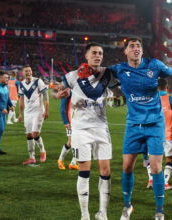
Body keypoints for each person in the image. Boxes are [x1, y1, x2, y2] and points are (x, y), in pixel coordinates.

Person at [109, 37, 172, 220]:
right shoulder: (119, 69)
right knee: (127, 167)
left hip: (155, 125)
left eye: (139, 46)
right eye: (132, 46)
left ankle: (159, 210)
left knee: (157, 167)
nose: (136, 48)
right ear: (125, 51)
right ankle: (127, 206)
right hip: (133, 125)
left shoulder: (154, 65)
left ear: (142, 51)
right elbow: (101, 75)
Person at [55, 42, 120, 220]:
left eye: (100, 53)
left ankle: (103, 213)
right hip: (81, 129)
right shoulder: (73, 75)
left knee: (105, 171)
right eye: (94, 53)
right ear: (86, 55)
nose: (97, 56)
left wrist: (117, 97)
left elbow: (117, 93)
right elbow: (58, 90)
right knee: (85, 170)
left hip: (101, 128)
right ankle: (85, 215)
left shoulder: (107, 73)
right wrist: (57, 94)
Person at [18, 65, 49, 165]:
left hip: (38, 111)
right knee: (28, 135)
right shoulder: (21, 84)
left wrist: (46, 110)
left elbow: (46, 95)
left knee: (35, 133)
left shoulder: (38, 81)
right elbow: (21, 100)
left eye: (30, 71)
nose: (28, 72)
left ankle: (42, 150)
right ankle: (31, 157)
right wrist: (20, 114)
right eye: (26, 71)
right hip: (28, 112)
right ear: (22, 73)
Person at [155, 78, 172, 190]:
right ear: (167, 86)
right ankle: (165, 182)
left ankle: (152, 181)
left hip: (153, 134)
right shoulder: (171, 99)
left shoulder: (151, 99)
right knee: (169, 159)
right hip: (169, 134)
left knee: (154, 160)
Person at [57, 94, 78, 170]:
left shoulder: (79, 88)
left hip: (79, 120)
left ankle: (73, 162)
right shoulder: (67, 90)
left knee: (78, 142)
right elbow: (62, 108)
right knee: (71, 142)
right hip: (70, 121)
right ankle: (60, 160)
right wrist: (66, 121)